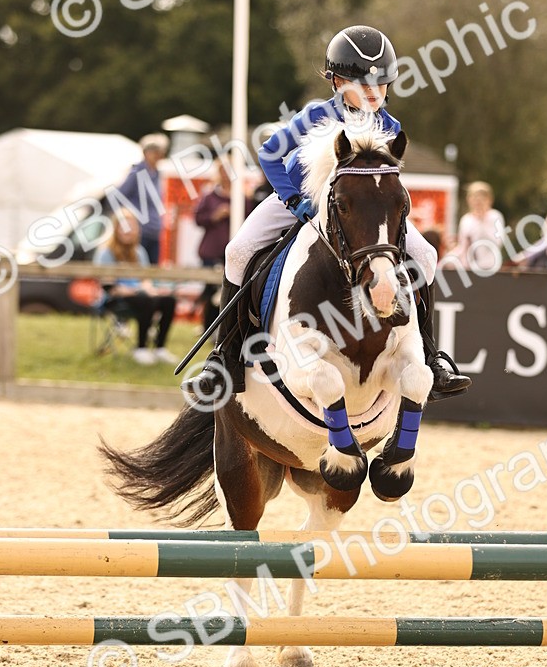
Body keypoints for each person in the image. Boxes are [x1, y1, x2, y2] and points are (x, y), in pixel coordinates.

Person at [182, 24, 470, 401]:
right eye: (361, 83)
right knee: (237, 251)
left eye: (380, 84)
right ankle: (225, 358)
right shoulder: (316, 115)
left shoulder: (390, 126)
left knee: (427, 256)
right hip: (301, 200)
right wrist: (293, 200)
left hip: (360, 216)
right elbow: (269, 153)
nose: (373, 92)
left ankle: (431, 357)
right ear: (335, 81)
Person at [93, 211, 178, 365]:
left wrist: (151, 290)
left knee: (168, 300)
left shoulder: (139, 252)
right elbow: (109, 286)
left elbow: (145, 279)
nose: (128, 231)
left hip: (140, 294)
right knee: (144, 299)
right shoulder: (106, 253)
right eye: (124, 227)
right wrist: (136, 291)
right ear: (116, 229)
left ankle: (160, 348)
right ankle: (141, 348)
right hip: (116, 298)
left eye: (132, 226)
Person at [194, 161, 253, 334]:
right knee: (210, 290)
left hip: (235, 252)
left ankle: (225, 328)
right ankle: (206, 327)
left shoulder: (243, 198)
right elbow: (198, 219)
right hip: (212, 251)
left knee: (229, 290)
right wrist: (214, 216)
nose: (226, 175)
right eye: (222, 171)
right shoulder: (209, 196)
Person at [114, 133, 169, 264]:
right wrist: (131, 218)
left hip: (154, 231)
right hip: (140, 232)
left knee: (152, 271)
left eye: (159, 151)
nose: (157, 155)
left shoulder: (157, 174)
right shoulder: (136, 174)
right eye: (154, 151)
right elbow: (118, 197)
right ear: (145, 153)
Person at [446, 181, 506, 270]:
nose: (478, 201)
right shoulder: (466, 220)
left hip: (490, 267)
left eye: (482, 197)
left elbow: (498, 242)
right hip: (468, 268)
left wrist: (482, 221)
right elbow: (463, 245)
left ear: (489, 199)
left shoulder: (495, 216)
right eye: (474, 197)